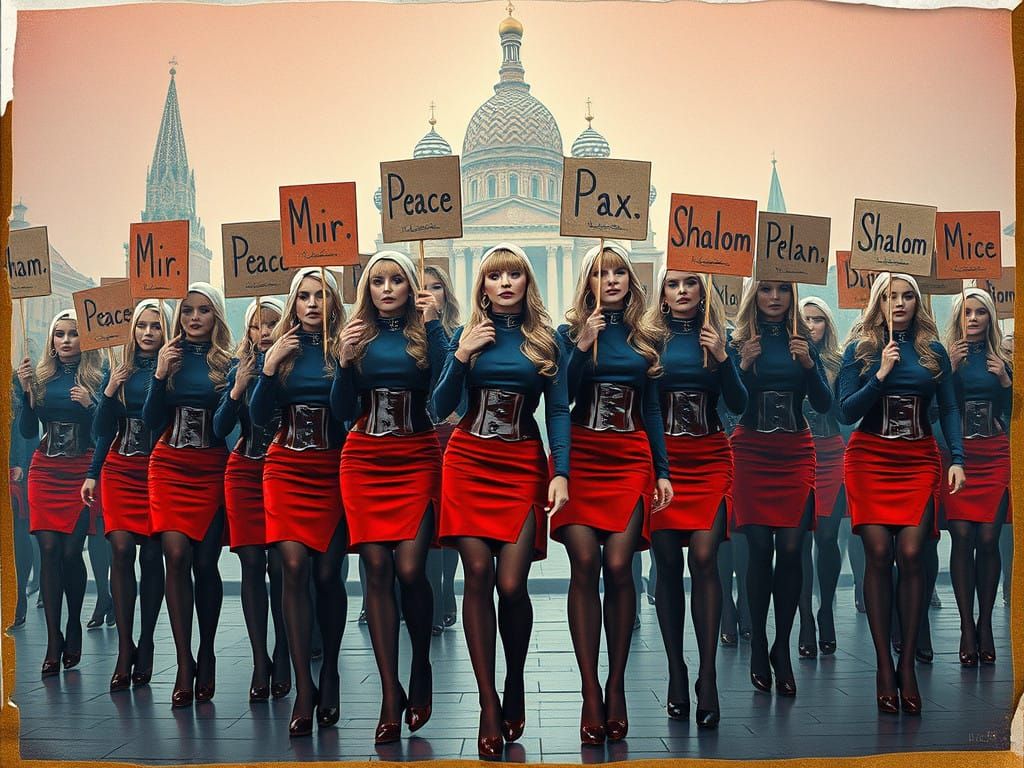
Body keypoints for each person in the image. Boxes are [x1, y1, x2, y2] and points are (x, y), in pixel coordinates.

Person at [432, 243, 569, 758]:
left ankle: (513, 682)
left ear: (527, 282)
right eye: (496, 276)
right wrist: (461, 356)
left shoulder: (546, 341)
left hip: (520, 465)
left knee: (512, 584)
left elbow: (556, 410)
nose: (506, 283)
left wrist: (561, 472)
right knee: (478, 575)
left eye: (515, 274)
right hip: (468, 461)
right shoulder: (466, 338)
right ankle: (489, 703)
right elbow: (440, 406)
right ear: (483, 288)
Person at [551, 242, 673, 744]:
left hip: (628, 458)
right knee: (585, 562)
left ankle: (616, 686)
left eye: (621, 272)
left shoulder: (646, 339)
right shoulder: (567, 334)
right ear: (588, 282)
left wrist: (662, 470)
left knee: (620, 565)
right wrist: (580, 346)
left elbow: (652, 410)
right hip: (581, 453)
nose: (614, 280)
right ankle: (588, 690)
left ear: (631, 281)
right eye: (603, 273)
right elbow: (562, 397)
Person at [332, 251, 448, 743]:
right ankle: (388, 692)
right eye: (377, 281)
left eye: (396, 279)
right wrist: (340, 362)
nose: (385, 288)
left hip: (417, 454)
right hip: (363, 458)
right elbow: (341, 409)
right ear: (367, 289)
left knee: (409, 569)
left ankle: (421, 664)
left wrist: (438, 328)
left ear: (409, 285)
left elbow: (447, 397)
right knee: (375, 572)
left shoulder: (428, 333)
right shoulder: (355, 337)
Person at [838, 273, 965, 715]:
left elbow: (948, 407)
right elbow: (845, 409)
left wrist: (958, 458)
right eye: (892, 295)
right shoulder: (862, 350)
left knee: (912, 552)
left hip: (918, 459)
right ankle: (882, 666)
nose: (900, 302)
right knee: (877, 553)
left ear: (918, 302)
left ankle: (907, 662)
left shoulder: (934, 352)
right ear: (878, 301)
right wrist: (879, 375)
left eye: (908, 295)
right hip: (869, 457)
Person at [251, 267, 348, 737]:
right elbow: (255, 414)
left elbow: (351, 412)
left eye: (321, 296)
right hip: (285, 466)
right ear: (294, 302)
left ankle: (329, 671)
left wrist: (346, 366)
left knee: (329, 576)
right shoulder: (280, 349)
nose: (312, 304)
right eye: (304, 296)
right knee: (292, 566)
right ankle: (304, 690)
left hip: (334, 468)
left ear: (333, 301)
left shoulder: (347, 345)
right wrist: (269, 368)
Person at [648, 268, 746, 729]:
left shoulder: (719, 334)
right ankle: (675, 670)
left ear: (704, 289)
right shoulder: (647, 336)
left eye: (691, 282)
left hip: (709, 455)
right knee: (666, 564)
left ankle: (707, 674)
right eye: (673, 283)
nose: (683, 290)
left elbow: (739, 404)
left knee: (706, 556)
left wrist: (724, 358)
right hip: (662, 461)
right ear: (662, 293)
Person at [728, 280, 832, 697]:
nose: (775, 297)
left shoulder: (802, 342)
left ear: (792, 296)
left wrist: (809, 365)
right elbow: (731, 404)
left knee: (792, 549)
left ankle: (782, 647)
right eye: (766, 290)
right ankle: (756, 648)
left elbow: (826, 405)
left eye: (782, 291)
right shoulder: (739, 343)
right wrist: (742, 367)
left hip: (794, 451)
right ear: (755, 295)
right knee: (758, 551)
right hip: (751, 451)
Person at [143, 283, 233, 707]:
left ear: (215, 316)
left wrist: (237, 388)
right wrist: (159, 375)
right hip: (168, 464)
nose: (194, 318)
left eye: (203, 311)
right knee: (175, 556)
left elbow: (223, 427)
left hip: (210, 466)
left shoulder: (227, 363)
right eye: (187, 311)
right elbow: (149, 420)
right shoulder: (168, 358)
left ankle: (208, 652)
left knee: (204, 563)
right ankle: (183, 661)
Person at [82, 300, 170, 690]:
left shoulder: (173, 367)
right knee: (120, 549)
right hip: (119, 468)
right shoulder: (116, 370)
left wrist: (163, 375)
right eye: (141, 326)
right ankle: (124, 646)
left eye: (155, 326)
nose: (147, 333)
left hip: (158, 470)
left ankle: (147, 641)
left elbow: (159, 419)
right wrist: (92, 474)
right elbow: (102, 428)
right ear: (132, 330)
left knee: (152, 556)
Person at [17, 309, 105, 676]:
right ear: (51, 341)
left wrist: (90, 404)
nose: (66, 340)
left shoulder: (97, 377)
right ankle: (54, 639)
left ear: (84, 339)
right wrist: (25, 395)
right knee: (49, 549)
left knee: (71, 551)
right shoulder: (38, 378)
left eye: (72, 334)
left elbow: (105, 430)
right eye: (59, 334)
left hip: (81, 469)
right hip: (45, 469)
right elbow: (25, 431)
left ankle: (73, 624)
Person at [214, 297, 292, 699]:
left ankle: (283, 654)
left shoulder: (296, 363)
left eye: (272, 322)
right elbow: (219, 428)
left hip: (285, 471)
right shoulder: (237, 368)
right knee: (250, 565)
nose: (264, 331)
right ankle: (260, 661)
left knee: (280, 567)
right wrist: (237, 388)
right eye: (258, 324)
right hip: (244, 470)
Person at [942, 287, 1011, 666]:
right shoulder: (946, 357)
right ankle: (967, 627)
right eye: (966, 312)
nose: (972, 318)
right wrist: (948, 371)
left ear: (989, 319)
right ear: (958, 317)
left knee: (988, 538)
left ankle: (986, 623)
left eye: (979, 312)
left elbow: (1012, 410)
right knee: (963, 536)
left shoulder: (1002, 360)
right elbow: (937, 405)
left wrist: (1005, 382)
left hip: (993, 452)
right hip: (958, 453)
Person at [797, 296, 847, 658]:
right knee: (799, 541)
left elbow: (843, 411)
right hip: (796, 453)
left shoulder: (838, 361)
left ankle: (825, 608)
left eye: (818, 320)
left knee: (827, 537)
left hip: (831, 452)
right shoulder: (784, 356)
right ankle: (804, 619)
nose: (812, 325)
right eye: (806, 319)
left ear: (827, 325)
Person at [423, 263, 462, 635]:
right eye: (422, 286)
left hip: (448, 436)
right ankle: (430, 594)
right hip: (414, 437)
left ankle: (445, 589)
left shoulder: (452, 333)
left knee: (444, 522)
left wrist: (433, 326)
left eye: (436, 286)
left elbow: (452, 382)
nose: (428, 293)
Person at [9, 374, 40, 630]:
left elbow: (24, 425)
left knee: (18, 533)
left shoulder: (15, 381)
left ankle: (19, 595)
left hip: (13, 465)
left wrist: (20, 462)